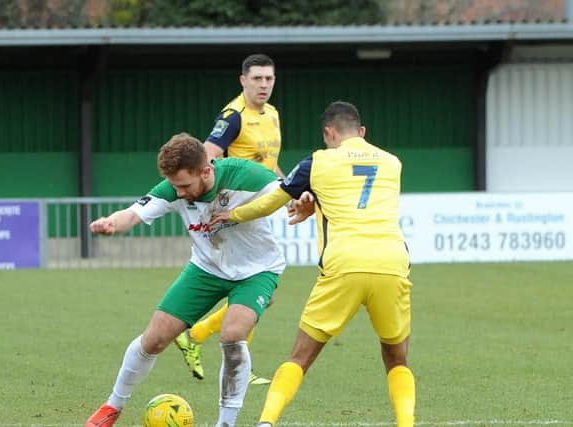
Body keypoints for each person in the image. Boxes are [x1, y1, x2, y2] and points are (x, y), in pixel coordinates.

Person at [210, 101, 416, 427]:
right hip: (391, 261)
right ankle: (407, 424)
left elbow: (271, 202)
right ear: (361, 132)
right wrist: (315, 202)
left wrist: (233, 214)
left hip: (344, 262)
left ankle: (266, 421)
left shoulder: (318, 161)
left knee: (300, 357)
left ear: (328, 133)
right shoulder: (393, 163)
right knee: (396, 358)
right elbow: (358, 198)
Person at [85, 133, 286, 427]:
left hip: (257, 270)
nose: (178, 193)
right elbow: (132, 214)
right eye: (175, 186)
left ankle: (226, 423)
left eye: (184, 186)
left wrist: (302, 201)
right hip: (205, 270)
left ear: (206, 171)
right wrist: (111, 223)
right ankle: (112, 407)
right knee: (153, 339)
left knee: (232, 334)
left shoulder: (245, 175)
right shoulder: (173, 187)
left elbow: (287, 190)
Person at [174, 53, 284, 386]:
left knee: (262, 291)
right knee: (255, 286)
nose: (263, 85)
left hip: (259, 209)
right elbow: (206, 155)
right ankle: (216, 350)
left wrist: (287, 191)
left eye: (269, 78)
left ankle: (199, 335)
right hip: (235, 213)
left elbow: (268, 163)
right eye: (257, 79)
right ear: (243, 81)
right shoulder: (233, 117)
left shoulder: (273, 114)